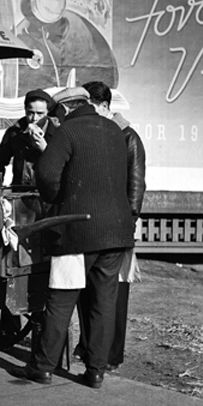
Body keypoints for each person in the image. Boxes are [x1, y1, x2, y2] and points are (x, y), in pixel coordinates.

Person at [10, 86, 135, 389]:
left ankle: (42, 367)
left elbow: (46, 174)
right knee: (103, 302)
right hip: (117, 231)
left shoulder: (68, 131)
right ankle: (95, 371)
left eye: (54, 114)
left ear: (65, 109)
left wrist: (56, 197)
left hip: (77, 228)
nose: (53, 120)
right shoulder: (115, 131)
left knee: (61, 299)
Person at [73, 81, 146, 371]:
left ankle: (111, 353)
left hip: (118, 226)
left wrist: (128, 221)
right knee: (88, 290)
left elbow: (136, 184)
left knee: (114, 292)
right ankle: (90, 347)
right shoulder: (98, 133)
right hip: (95, 225)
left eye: (89, 107)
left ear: (103, 107)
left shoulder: (127, 137)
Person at [0, 88, 58, 188]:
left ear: (47, 112)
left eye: (40, 114)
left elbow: (62, 164)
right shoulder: (14, 133)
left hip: (47, 191)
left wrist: (45, 149)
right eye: (30, 113)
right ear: (25, 110)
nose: (35, 118)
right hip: (20, 190)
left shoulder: (58, 132)